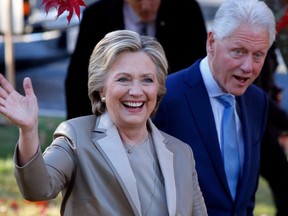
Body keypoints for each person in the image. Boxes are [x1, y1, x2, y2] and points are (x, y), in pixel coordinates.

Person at [0, 30, 207, 215]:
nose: (136, 91)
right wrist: (28, 130)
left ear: (158, 89)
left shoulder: (182, 153)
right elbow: (37, 189)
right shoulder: (76, 137)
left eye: (147, 80)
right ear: (101, 89)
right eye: (123, 79)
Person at [152, 0, 276, 215]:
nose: (248, 67)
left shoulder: (258, 101)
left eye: (258, 55)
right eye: (238, 51)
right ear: (211, 42)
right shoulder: (165, 96)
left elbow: (244, 199)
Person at [65, 0, 207, 120]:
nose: (146, 6)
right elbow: (78, 81)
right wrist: (82, 132)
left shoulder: (187, 11)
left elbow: (198, 72)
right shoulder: (97, 16)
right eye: (138, 0)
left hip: (174, 115)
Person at [255, 44, 288, 216]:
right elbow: (258, 98)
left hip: (266, 130)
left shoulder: (271, 48)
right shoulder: (254, 51)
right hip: (259, 132)